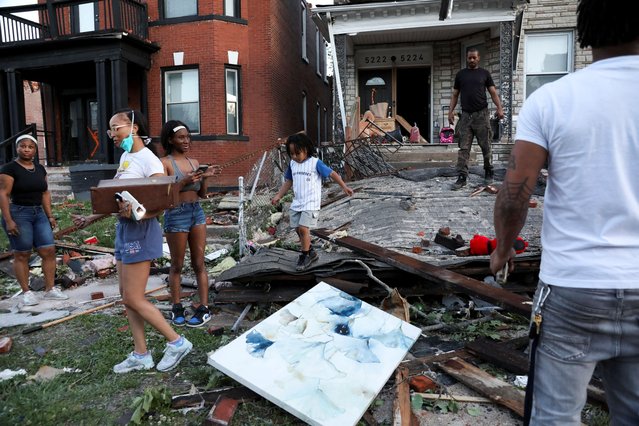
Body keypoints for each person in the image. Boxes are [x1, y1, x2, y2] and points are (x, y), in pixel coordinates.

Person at [490, 1, 639, 424]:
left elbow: (515, 194)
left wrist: (502, 249)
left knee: (554, 417)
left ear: (584, 31)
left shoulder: (552, 99)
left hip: (574, 289)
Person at [74, 109, 192, 373]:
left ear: (134, 128)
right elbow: (115, 199)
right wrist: (90, 218)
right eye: (110, 129)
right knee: (126, 296)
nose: (112, 135)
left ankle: (177, 342)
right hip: (124, 230)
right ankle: (141, 354)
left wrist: (138, 214)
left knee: (135, 297)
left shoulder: (150, 161)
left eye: (116, 128)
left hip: (141, 230)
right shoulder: (127, 157)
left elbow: (161, 203)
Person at [160, 120, 219, 328]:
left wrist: (205, 178)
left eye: (188, 137)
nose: (186, 141)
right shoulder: (165, 163)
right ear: (170, 139)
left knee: (199, 263)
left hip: (196, 212)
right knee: (176, 265)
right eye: (181, 137)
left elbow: (202, 194)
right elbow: (164, 197)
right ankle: (176, 307)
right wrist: (182, 181)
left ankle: (204, 308)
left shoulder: (194, 162)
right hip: (176, 214)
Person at [0, 135, 69, 306]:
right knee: (22, 253)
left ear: (35, 150)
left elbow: (45, 192)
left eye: (30, 147)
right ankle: (26, 292)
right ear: (17, 148)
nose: (26, 149)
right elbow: (3, 194)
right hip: (19, 213)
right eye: (22, 146)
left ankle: (50, 289)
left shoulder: (39, 169)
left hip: (39, 214)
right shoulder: (9, 168)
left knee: (48, 250)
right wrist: (8, 220)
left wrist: (50, 215)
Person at [271, 132, 354, 271]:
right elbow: (289, 181)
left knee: (303, 228)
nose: (294, 157)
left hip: (311, 203)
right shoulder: (293, 164)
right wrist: (278, 195)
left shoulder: (315, 163)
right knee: (298, 229)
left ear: (306, 149)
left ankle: (304, 256)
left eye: (297, 153)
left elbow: (332, 173)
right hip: (297, 202)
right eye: (291, 154)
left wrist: (344, 187)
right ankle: (310, 251)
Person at [448, 48, 504, 190]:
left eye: (474, 58)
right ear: (467, 59)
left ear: (479, 58)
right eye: (469, 58)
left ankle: (488, 172)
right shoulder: (461, 75)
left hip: (482, 115)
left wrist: (500, 108)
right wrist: (450, 112)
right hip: (465, 116)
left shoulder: (484, 74)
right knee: (464, 148)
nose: (471, 60)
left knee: (486, 145)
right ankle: (462, 177)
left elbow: (493, 92)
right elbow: (455, 95)